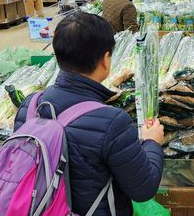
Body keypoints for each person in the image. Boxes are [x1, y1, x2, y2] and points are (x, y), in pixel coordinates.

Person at [14, 12, 164, 216]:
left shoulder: (30, 106)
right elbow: (143, 189)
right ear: (105, 60)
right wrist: (152, 143)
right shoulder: (112, 121)